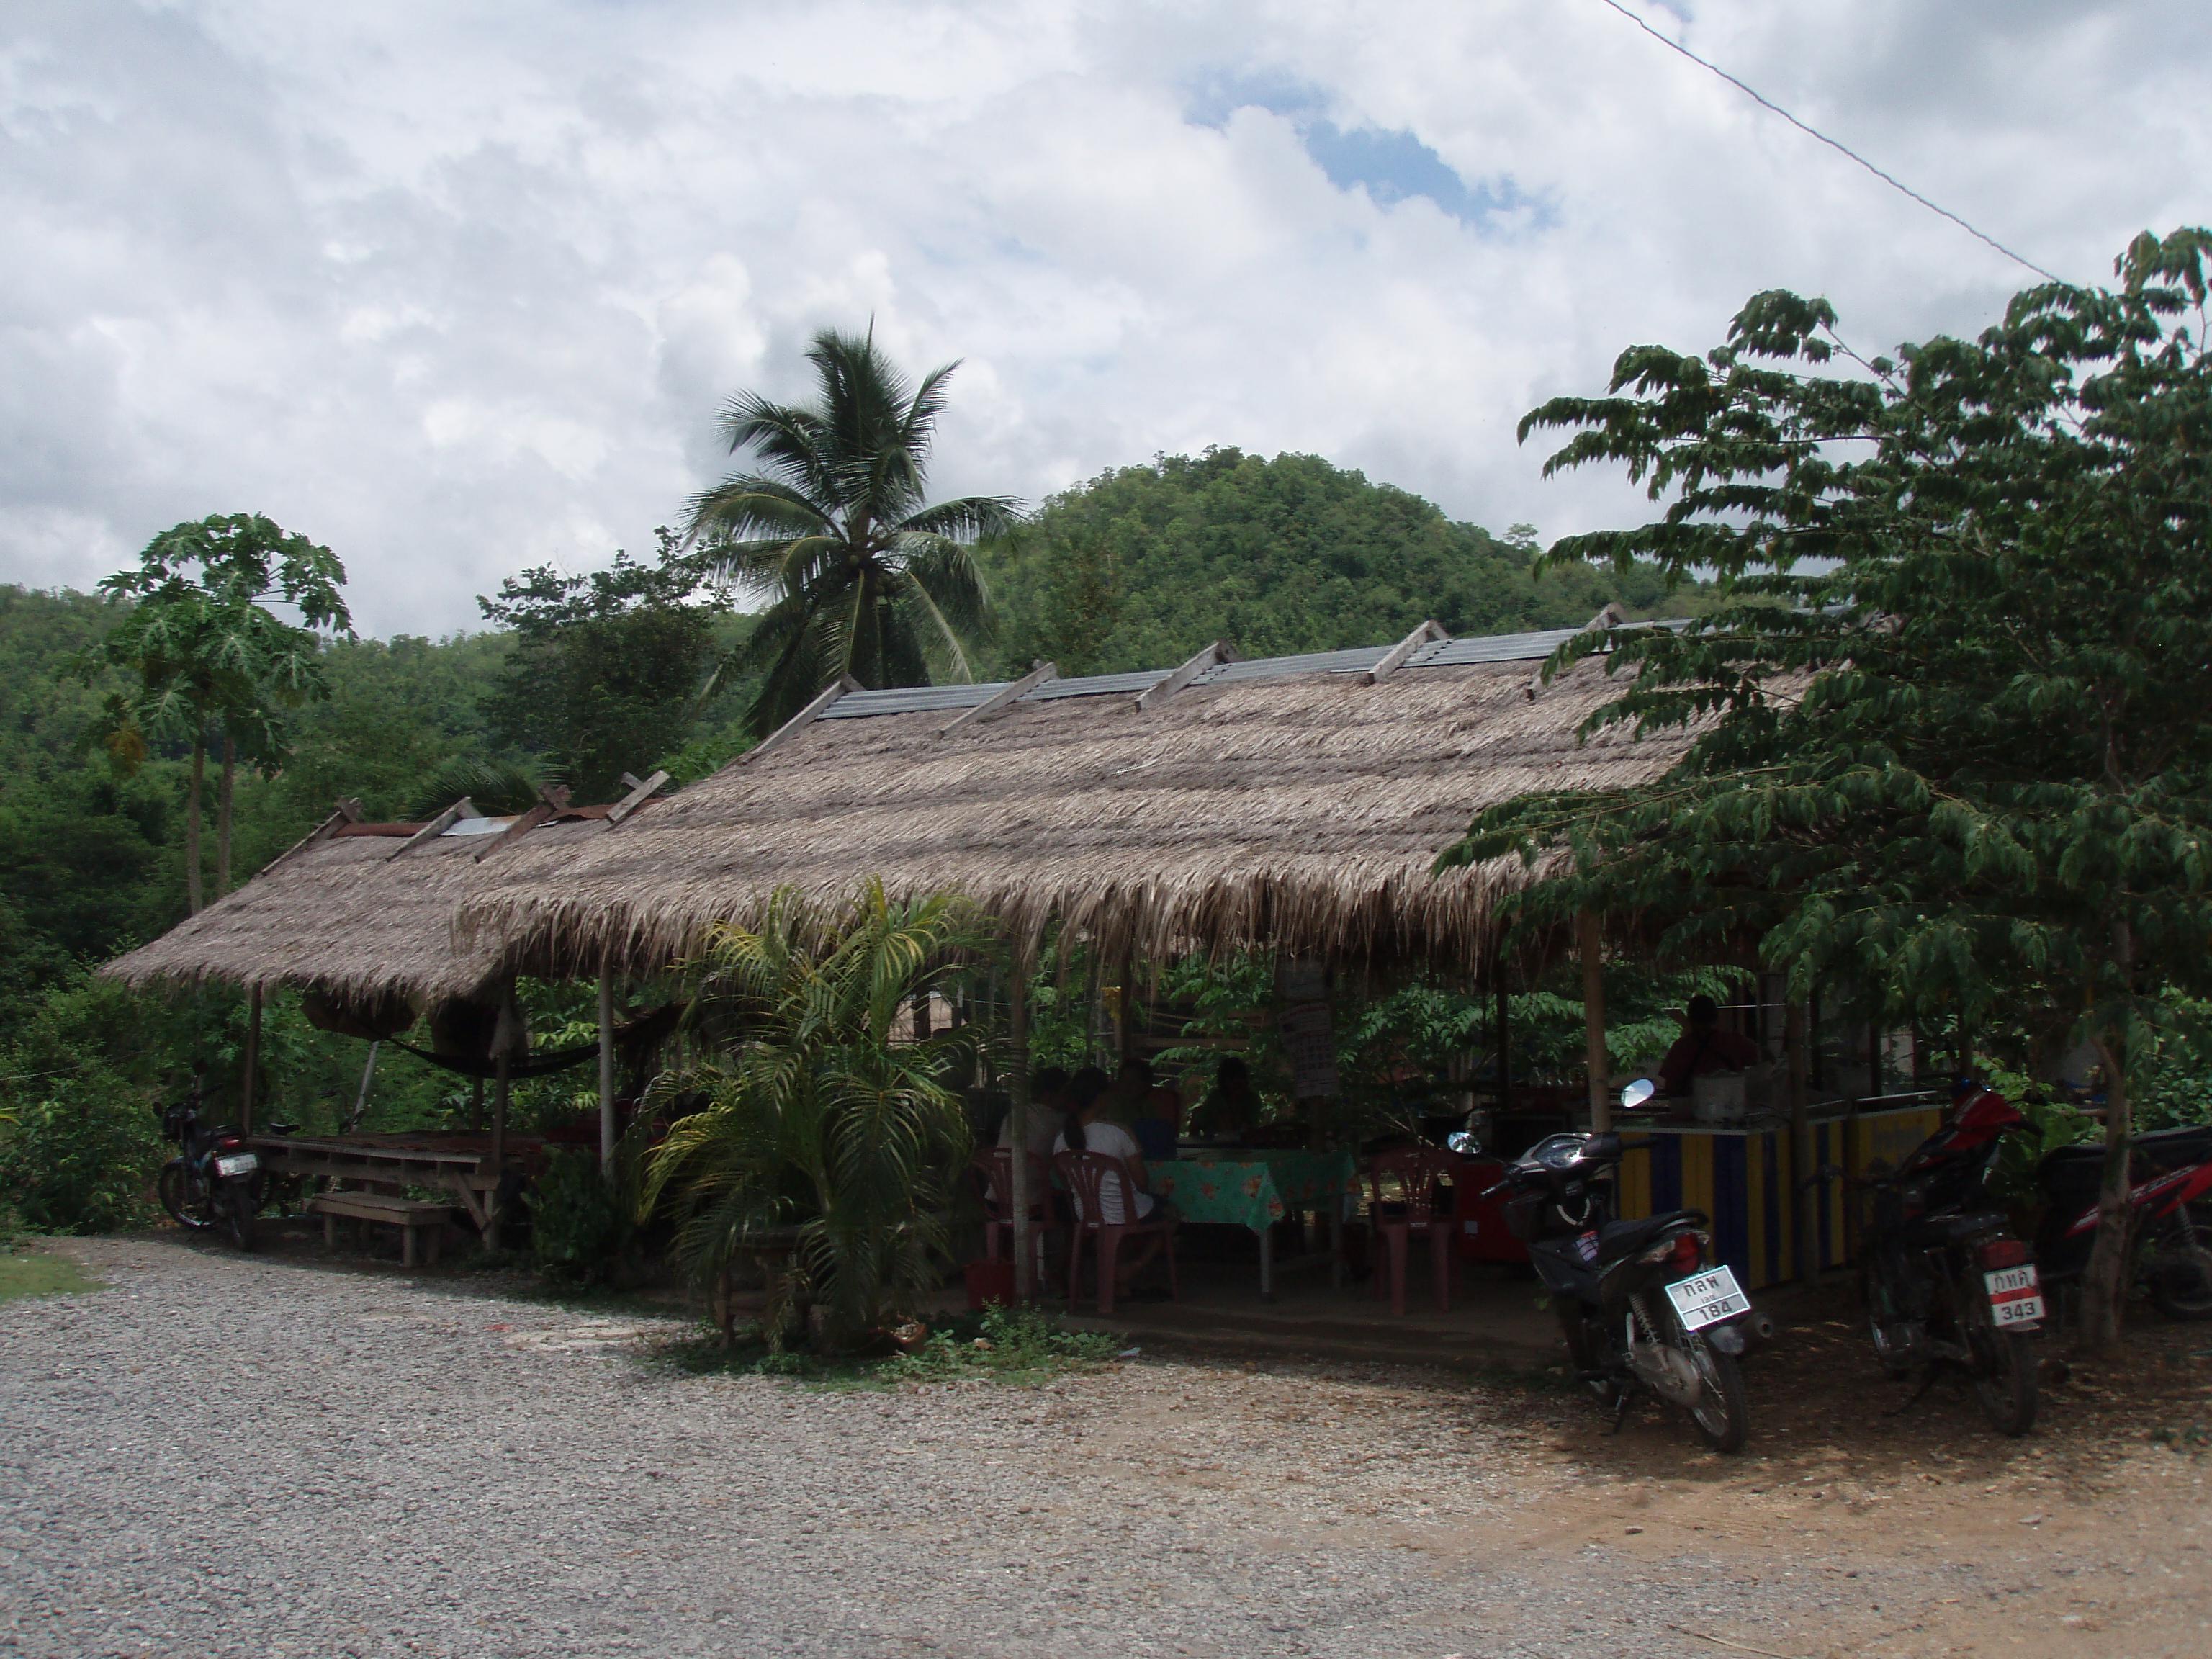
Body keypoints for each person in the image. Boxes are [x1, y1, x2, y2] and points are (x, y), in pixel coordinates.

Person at [1053, 1066, 1175, 1296]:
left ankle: (1119, 1283)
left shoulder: (1061, 1140)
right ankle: (1131, 1268)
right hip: (1124, 1213)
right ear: (1101, 1097)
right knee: (1170, 1214)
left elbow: (1067, 1185)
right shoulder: (1119, 1133)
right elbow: (1141, 1183)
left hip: (1085, 1215)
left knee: (1123, 1218)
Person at [1658, 996, 1761, 1097]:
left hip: (1692, 1105)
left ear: (1689, 1019)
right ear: (1716, 1017)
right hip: (1729, 1104)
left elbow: (1671, 1087)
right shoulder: (1735, 1042)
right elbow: (1764, 1058)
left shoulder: (1681, 1048)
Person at [998, 1065, 1069, 1157]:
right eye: (1065, 1093)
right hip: (1031, 1166)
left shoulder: (1014, 1115)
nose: (1068, 1098)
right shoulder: (1058, 1120)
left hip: (1000, 1166)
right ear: (1048, 1095)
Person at [1188, 1054, 1259, 1138]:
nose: (1236, 1083)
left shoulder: (1252, 1100)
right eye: (1232, 1078)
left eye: (1240, 1078)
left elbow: (1251, 1129)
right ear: (1224, 1081)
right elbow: (1197, 1123)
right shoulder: (1216, 1098)